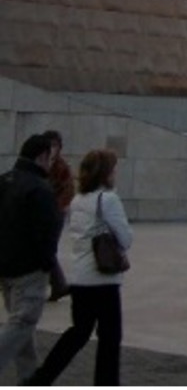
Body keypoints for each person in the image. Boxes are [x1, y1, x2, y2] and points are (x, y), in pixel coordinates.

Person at [27, 148, 132, 386]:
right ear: (106, 173)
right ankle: (106, 383)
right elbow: (125, 238)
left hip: (81, 277)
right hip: (104, 279)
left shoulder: (77, 200)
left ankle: (42, 377)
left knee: (78, 332)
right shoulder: (108, 199)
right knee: (110, 338)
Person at [0, 135, 62, 384]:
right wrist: (47, 264)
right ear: (42, 157)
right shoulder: (39, 189)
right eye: (51, 158)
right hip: (29, 270)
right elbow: (47, 233)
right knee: (22, 324)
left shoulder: (4, 181)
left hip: (5, 267)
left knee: (22, 326)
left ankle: (30, 378)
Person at [42, 132, 74, 304]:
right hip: (40, 211)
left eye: (56, 145)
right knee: (45, 249)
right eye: (50, 145)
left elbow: (68, 190)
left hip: (55, 213)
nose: (53, 149)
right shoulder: (40, 162)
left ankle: (58, 284)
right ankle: (58, 284)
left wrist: (57, 208)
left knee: (47, 248)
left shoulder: (61, 166)